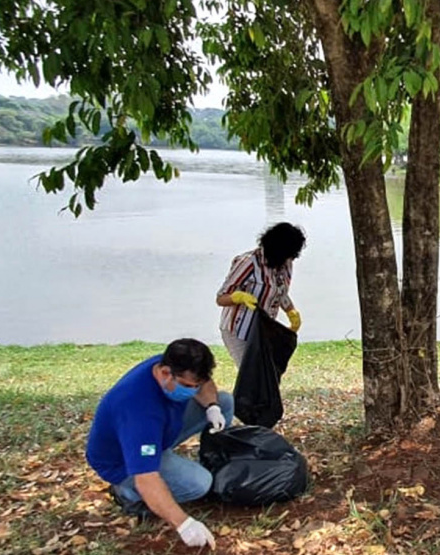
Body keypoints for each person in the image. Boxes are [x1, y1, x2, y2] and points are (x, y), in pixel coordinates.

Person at [86, 338, 235, 548]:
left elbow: (204, 383)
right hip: (122, 462)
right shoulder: (139, 413)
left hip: (161, 430)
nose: (193, 391)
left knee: (224, 402)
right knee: (199, 483)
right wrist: (184, 524)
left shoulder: (171, 364)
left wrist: (212, 407)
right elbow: (146, 478)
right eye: (187, 386)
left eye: (196, 386)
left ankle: (193, 461)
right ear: (165, 373)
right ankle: (126, 493)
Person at [216, 222, 306, 368]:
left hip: (264, 329)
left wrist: (291, 311)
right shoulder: (248, 262)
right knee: (251, 373)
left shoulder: (286, 262)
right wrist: (238, 297)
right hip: (238, 330)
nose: (288, 261)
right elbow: (221, 298)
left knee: (268, 372)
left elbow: (280, 291)